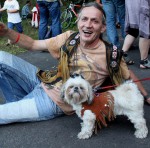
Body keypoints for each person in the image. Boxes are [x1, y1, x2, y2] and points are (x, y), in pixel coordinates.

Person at [0, 2, 149, 125]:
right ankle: (19, 104)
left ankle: (18, 106)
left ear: (103, 27)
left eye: (94, 21)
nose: (88, 25)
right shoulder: (69, 37)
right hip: (41, 78)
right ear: (78, 22)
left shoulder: (111, 54)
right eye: (84, 19)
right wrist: (7, 32)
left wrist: (146, 96)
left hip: (53, 101)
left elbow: (128, 74)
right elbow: (33, 44)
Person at [122, 0, 150, 68]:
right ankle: (144, 61)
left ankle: (122, 56)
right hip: (142, 3)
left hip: (131, 3)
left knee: (133, 30)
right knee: (145, 31)